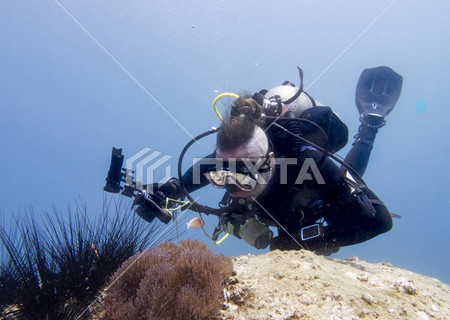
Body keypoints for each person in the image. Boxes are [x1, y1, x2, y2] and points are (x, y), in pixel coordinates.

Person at [134, 66, 403, 255]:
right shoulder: (228, 158)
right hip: (281, 202)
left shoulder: (308, 163)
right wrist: (163, 193)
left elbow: (379, 221)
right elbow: (185, 182)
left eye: (241, 178)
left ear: (269, 162)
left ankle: (370, 124)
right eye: (220, 176)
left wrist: (314, 239)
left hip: (310, 189)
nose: (231, 187)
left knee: (350, 176)